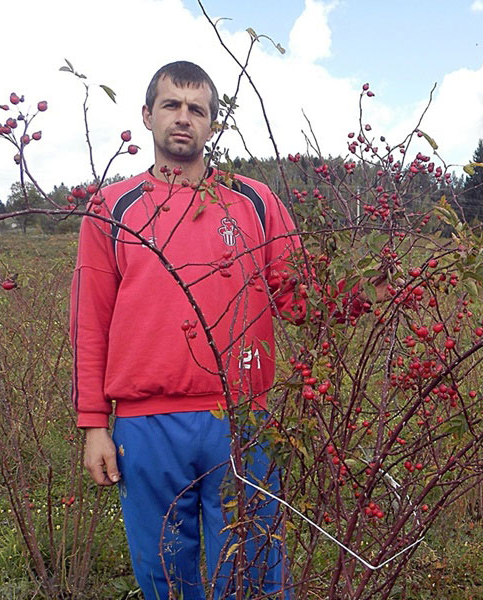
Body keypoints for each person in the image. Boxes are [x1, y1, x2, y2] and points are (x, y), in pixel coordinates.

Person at [72, 61, 303, 599]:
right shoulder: (111, 209)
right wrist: (93, 425)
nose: (183, 118)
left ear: (212, 125)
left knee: (253, 568)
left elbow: (301, 300)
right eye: (171, 105)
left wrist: (374, 291)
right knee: (165, 575)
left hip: (242, 417)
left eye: (197, 109)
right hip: (145, 424)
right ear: (147, 115)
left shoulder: (254, 202)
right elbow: (91, 323)